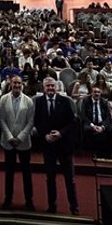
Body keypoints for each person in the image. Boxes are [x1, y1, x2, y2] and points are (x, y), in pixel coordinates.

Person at [33, 77, 79, 215]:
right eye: (48, 86)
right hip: (49, 146)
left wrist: (61, 133)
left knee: (69, 179)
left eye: (52, 86)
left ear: (56, 87)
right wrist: (44, 135)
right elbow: (37, 122)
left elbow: (73, 122)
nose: (50, 88)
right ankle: (52, 205)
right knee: (50, 178)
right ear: (44, 88)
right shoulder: (39, 102)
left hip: (64, 145)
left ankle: (74, 207)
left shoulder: (65, 101)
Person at [0, 75, 35, 210]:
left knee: (26, 173)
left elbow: (31, 122)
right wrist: (9, 137)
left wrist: (20, 137)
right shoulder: (3, 99)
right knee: (9, 173)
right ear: (11, 84)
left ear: (22, 85)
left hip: (23, 142)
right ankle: (8, 199)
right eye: (14, 83)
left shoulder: (29, 101)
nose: (17, 86)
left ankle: (29, 200)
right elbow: (1, 119)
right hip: (8, 142)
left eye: (19, 83)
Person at [81, 85, 112, 158]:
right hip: (90, 123)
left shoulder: (104, 102)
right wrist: (93, 126)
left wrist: (102, 127)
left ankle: (110, 153)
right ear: (91, 93)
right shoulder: (86, 101)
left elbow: (108, 117)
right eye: (95, 92)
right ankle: (90, 153)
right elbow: (83, 116)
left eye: (98, 92)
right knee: (87, 129)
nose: (97, 94)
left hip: (102, 123)